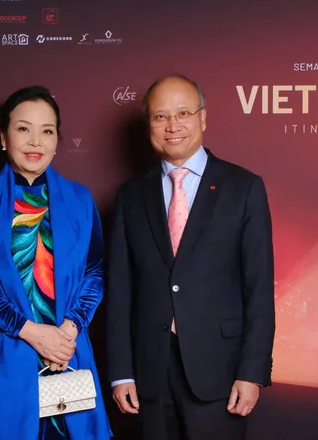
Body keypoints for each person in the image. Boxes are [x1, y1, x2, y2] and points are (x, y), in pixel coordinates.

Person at [106, 75, 275, 440]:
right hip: (149, 373)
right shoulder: (130, 195)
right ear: (149, 125)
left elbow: (259, 288)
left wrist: (252, 372)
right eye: (160, 116)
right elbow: (119, 290)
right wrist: (121, 373)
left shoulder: (244, 187)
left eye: (183, 113)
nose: (173, 125)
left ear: (203, 117)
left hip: (221, 373)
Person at [0, 86, 112, 439]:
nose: (35, 142)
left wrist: (69, 330)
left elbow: (95, 270)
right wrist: (31, 332)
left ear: (57, 140)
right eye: (24, 128)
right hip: (7, 350)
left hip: (67, 351)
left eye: (47, 131)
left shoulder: (80, 198)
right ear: (3, 137)